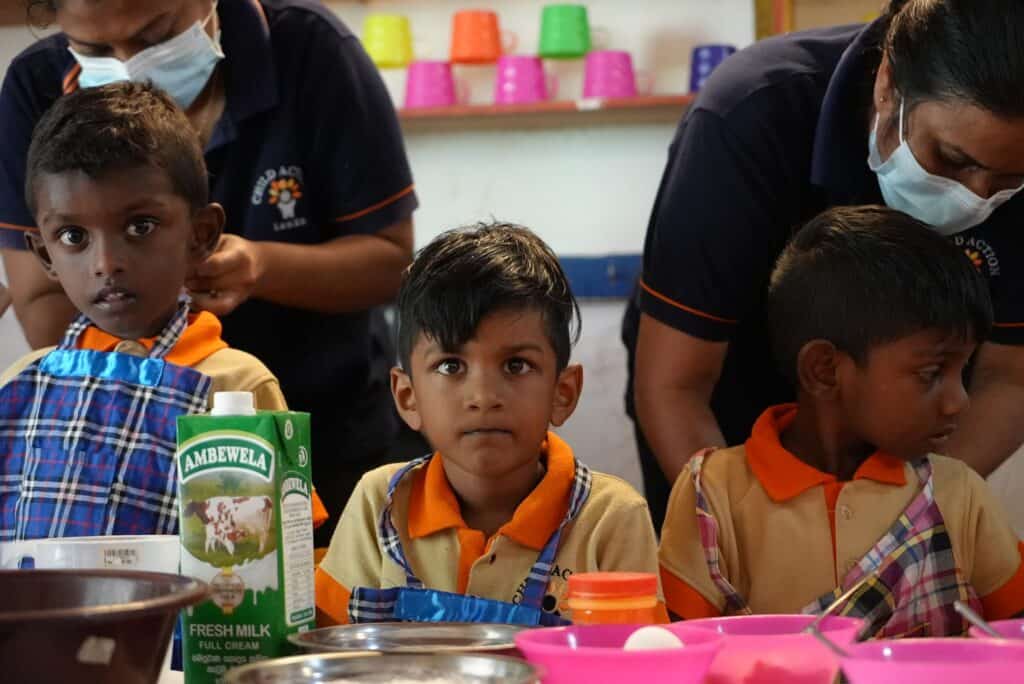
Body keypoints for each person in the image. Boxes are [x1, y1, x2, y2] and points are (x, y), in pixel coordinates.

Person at [0, 0, 418, 545]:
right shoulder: (26, 385)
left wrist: (262, 266)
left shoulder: (311, 53)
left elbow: (390, 259)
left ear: (203, 233)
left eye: (152, 32)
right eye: (97, 50)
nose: (129, 63)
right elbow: (42, 303)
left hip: (334, 429)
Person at [625, 0, 1024, 532]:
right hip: (725, 412)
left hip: (910, 439)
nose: (976, 199)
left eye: (1007, 181)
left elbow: (1009, 380)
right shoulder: (751, 114)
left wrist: (909, 521)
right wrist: (749, 541)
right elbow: (674, 385)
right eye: (952, 159)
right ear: (887, 85)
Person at [658, 206, 1024, 637]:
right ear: (825, 370)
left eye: (961, 373)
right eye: (931, 374)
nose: (959, 402)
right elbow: (674, 652)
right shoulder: (714, 496)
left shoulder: (959, 495)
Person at [0, 81, 330, 539]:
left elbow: (278, 555)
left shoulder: (237, 385)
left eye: (140, 226)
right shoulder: (21, 385)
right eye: (73, 236)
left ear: (201, 234)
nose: (105, 263)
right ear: (44, 256)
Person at [315, 223, 664, 626]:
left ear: (562, 393)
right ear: (408, 397)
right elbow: (339, 656)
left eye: (517, 365)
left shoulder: (610, 519)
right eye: (451, 366)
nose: (482, 395)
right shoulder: (382, 504)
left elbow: (638, 663)